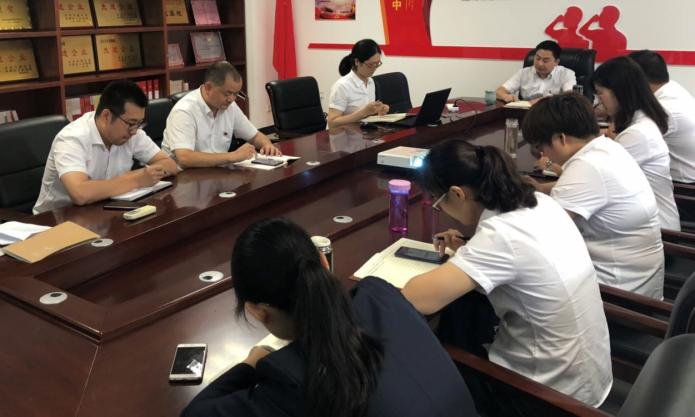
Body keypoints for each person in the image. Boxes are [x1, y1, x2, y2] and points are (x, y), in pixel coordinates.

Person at [182, 216, 476, 417]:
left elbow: (194, 414)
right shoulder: (380, 293)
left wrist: (251, 363)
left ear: (257, 311)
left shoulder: (290, 378)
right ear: (324, 261)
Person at [402, 140, 612, 412]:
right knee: (466, 309)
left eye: (437, 203)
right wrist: (469, 250)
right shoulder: (541, 202)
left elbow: (418, 299)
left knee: (426, 351)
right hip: (587, 376)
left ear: (457, 193)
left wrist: (470, 253)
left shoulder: (501, 235)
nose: (439, 210)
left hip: (544, 395)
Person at [521, 94, 664, 299]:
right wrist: (543, 189)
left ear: (561, 138)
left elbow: (540, 233)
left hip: (619, 293)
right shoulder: (607, 148)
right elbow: (594, 190)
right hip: (640, 280)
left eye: (541, 147)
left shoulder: (586, 167)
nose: (543, 154)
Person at [33, 80, 177, 213]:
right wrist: (136, 179)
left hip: (104, 211)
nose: (134, 131)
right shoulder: (72, 138)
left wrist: (147, 175)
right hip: (57, 220)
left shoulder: (133, 133)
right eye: (131, 123)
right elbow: (80, 193)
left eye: (139, 123)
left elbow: (169, 165)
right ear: (106, 116)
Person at [591, 57, 680, 231]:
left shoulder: (638, 133)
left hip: (658, 229)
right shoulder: (639, 121)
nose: (599, 100)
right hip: (640, 219)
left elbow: (598, 179)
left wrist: (554, 167)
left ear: (619, 91)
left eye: (600, 93)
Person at [161, 62, 280, 169]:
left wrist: (267, 145)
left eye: (236, 94)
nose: (231, 99)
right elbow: (185, 158)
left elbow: (254, 136)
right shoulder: (184, 111)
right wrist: (232, 156)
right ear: (208, 88)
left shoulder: (229, 107)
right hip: (185, 177)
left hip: (217, 172)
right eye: (227, 93)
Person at [629, 50, 695, 184]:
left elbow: (623, 141)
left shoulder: (663, 109)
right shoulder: (674, 89)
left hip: (684, 188)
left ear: (638, 80)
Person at [327, 39, 389, 128]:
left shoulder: (371, 82)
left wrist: (378, 110)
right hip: (343, 134)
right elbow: (332, 122)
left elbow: (366, 115)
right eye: (371, 64)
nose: (374, 68)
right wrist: (364, 112)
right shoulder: (342, 86)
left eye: (377, 64)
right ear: (357, 62)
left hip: (363, 132)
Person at [496, 40, 576, 104]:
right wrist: (505, 96)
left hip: (553, 114)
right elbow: (499, 91)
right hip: (526, 114)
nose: (540, 64)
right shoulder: (524, 73)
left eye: (545, 61)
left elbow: (570, 96)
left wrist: (543, 101)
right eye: (537, 58)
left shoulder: (566, 74)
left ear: (556, 62)